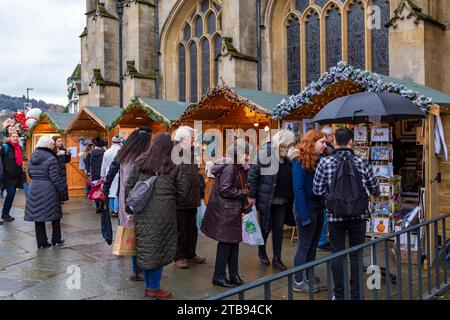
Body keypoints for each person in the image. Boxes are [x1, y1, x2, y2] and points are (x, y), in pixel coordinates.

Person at [313, 127, 380, 300]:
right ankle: (357, 295)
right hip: (359, 216)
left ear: (335, 141)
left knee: (337, 253)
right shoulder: (362, 161)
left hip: (335, 216)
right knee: (356, 255)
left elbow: (317, 190)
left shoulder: (325, 162)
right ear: (352, 142)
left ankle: (339, 294)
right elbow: (375, 188)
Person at [125, 132, 190, 299]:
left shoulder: (140, 160)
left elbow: (129, 185)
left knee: (147, 247)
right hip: (164, 213)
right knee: (158, 249)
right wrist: (171, 199)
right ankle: (153, 288)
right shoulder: (174, 163)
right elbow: (184, 190)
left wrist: (131, 207)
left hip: (142, 210)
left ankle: (149, 286)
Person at [103, 126, 152, 281]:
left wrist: (105, 189)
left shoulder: (123, 153)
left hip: (126, 199)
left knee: (131, 233)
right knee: (143, 236)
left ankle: (135, 270)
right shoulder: (145, 156)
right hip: (142, 200)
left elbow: (111, 172)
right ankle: (142, 269)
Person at [201, 140, 252, 288]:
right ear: (238, 153)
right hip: (226, 211)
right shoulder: (230, 167)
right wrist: (244, 192)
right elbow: (225, 190)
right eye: (246, 154)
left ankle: (234, 274)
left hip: (231, 210)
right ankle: (219, 276)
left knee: (234, 243)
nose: (248, 157)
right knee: (226, 244)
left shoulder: (237, 166)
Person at [247, 129, 296, 271]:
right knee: (265, 228)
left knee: (278, 229)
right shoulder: (266, 151)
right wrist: (252, 195)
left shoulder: (287, 155)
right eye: (290, 142)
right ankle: (262, 252)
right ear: (283, 141)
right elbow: (253, 173)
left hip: (283, 199)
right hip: (267, 197)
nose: (291, 145)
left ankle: (277, 258)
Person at [292, 130, 328, 293]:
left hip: (318, 208)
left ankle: (309, 277)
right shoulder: (299, 161)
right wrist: (304, 215)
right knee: (304, 245)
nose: (325, 146)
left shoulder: (319, 160)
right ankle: (298, 281)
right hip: (305, 208)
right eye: (322, 142)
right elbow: (298, 190)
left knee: (313, 246)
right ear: (312, 143)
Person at [173, 126, 206, 269]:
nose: (194, 140)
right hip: (180, 201)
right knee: (179, 231)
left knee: (192, 229)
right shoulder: (174, 153)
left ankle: (190, 253)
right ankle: (179, 256)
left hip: (192, 199)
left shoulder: (191, 153)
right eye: (191, 138)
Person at [24, 136, 66, 248]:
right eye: (52, 144)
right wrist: (62, 189)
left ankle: (42, 242)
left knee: (37, 216)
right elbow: (55, 177)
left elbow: (30, 173)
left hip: (34, 187)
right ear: (49, 145)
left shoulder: (33, 156)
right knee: (55, 215)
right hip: (49, 189)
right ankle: (56, 239)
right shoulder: (51, 158)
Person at [318, 126, 336, 251]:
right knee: (324, 217)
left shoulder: (325, 149)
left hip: (323, 192)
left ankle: (321, 239)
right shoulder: (329, 149)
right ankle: (322, 240)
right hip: (326, 192)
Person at [1, 132, 24, 222]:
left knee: (11, 195)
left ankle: (5, 214)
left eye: (16, 137)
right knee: (10, 194)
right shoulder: (5, 147)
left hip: (15, 177)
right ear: (9, 137)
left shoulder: (19, 148)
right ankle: (5, 214)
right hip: (6, 177)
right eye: (13, 137)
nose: (15, 138)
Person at [101, 135, 122, 218]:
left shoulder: (107, 152)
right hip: (118, 173)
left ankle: (112, 209)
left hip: (108, 174)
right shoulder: (121, 150)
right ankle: (117, 210)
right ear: (119, 142)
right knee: (117, 192)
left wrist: (102, 175)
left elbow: (103, 164)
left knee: (110, 192)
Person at [87, 137, 106, 213]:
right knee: (103, 190)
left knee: (95, 190)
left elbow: (88, 165)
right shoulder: (105, 152)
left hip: (94, 174)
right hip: (103, 174)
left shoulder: (91, 153)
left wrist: (88, 172)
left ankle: (97, 207)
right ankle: (102, 206)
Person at [53, 136, 71, 202]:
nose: (60, 142)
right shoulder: (52, 150)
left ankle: (61, 199)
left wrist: (68, 153)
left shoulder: (63, 149)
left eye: (61, 141)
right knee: (55, 186)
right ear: (54, 142)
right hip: (55, 171)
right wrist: (56, 155)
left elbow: (67, 160)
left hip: (62, 172)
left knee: (62, 185)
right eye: (58, 141)